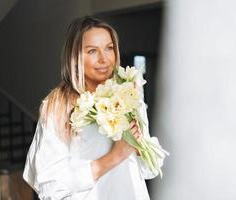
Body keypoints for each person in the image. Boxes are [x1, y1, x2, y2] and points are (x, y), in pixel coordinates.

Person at [23, 16, 163, 200]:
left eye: (109, 48)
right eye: (92, 51)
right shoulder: (58, 105)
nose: (104, 59)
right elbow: (49, 185)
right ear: (74, 58)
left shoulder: (128, 95)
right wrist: (114, 156)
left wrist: (138, 146)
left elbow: (149, 170)